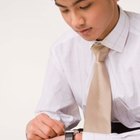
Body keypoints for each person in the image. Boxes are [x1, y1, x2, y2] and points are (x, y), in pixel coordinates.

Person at [26, 0, 140, 139]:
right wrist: (40, 128)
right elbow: (54, 117)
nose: (75, 22)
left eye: (84, 7)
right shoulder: (63, 50)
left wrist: (82, 138)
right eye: (64, 10)